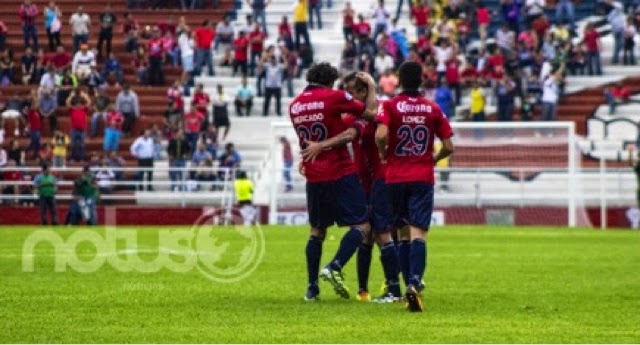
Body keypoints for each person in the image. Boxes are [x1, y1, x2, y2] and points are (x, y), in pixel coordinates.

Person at [301, 71, 402, 302]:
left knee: (384, 233)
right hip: (359, 179)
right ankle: (363, 290)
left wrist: (373, 88)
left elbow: (370, 119)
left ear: (364, 91)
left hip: (381, 177)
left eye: (354, 92)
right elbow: (343, 129)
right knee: (366, 234)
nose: (349, 98)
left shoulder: (383, 109)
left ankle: (395, 289)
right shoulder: (351, 116)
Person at [289, 62, 378, 301]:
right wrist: (371, 85)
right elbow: (371, 114)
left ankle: (311, 288)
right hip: (340, 171)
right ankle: (335, 265)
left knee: (317, 230)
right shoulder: (335, 96)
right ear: (330, 81)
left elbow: (306, 141)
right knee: (363, 225)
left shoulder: (295, 105)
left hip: (313, 174)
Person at [375, 61, 454, 312]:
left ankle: (406, 281)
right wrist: (432, 159)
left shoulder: (389, 105)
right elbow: (450, 147)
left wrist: (384, 154)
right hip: (421, 176)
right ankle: (414, 282)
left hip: (396, 176)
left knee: (401, 231)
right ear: (422, 80)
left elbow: (379, 134)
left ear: (399, 79)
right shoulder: (432, 108)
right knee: (419, 231)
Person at [67, 89, 91, 161]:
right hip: (74, 129)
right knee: (73, 145)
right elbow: (68, 103)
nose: (78, 104)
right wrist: (72, 96)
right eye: (77, 103)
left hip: (82, 130)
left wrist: (83, 95)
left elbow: (89, 102)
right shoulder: (72, 109)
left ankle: (82, 158)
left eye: (80, 103)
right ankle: (73, 158)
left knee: (82, 145)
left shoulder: (84, 109)